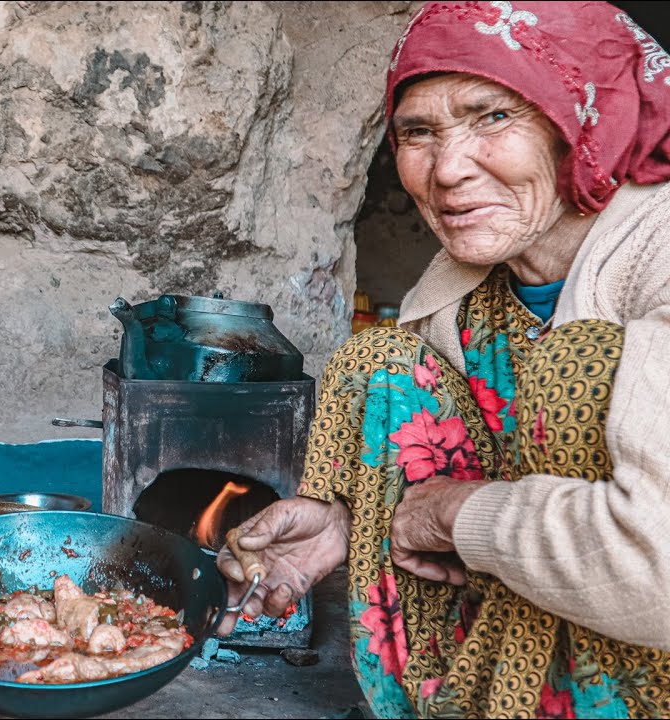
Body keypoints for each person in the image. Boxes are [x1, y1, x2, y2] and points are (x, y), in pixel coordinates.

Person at [216, 2, 670, 717]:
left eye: (493, 117)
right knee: (380, 364)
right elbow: (472, 457)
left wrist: (455, 516)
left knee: (577, 366)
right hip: (510, 637)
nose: (449, 170)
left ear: (586, 121)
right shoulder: (465, 291)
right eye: (418, 132)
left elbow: (658, 567)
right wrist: (348, 521)